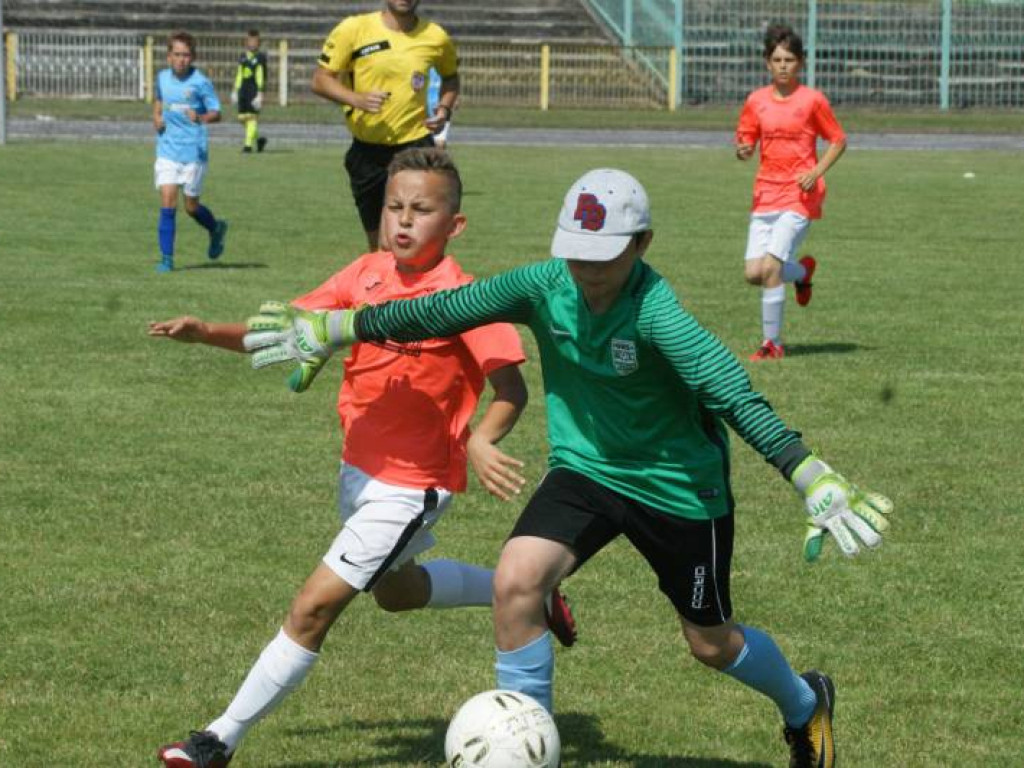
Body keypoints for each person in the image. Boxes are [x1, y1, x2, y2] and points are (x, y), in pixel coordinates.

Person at [247, 167, 894, 768]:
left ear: (641, 244)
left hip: (677, 490)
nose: (585, 268)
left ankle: (806, 703)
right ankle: (527, 742)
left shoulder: (656, 312)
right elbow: (438, 311)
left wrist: (808, 474)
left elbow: (728, 388)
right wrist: (339, 328)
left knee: (710, 644)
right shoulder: (543, 286)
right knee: (516, 580)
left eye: (603, 255)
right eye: (576, 251)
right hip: (585, 470)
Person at [151, 148, 576, 768]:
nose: (403, 221)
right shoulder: (365, 273)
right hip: (357, 474)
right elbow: (289, 330)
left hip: (413, 488)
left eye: (421, 210)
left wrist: (481, 439)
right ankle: (527, 593)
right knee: (398, 592)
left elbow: (512, 390)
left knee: (312, 607)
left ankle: (218, 740)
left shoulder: (468, 298)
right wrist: (205, 331)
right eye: (394, 207)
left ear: (454, 225)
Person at [735, 23, 847, 361]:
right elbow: (747, 138)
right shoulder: (756, 101)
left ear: (801, 63)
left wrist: (816, 171)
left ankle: (772, 344)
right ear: (767, 62)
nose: (783, 65)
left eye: (790, 60)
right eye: (777, 59)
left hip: (799, 196)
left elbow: (838, 140)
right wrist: (742, 149)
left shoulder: (812, 101)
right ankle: (802, 272)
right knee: (754, 273)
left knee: (770, 267)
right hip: (765, 194)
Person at [311, 0, 459, 250]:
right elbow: (320, 80)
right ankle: (387, 286)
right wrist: (357, 99)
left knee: (417, 241)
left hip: (415, 149)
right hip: (367, 152)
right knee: (379, 245)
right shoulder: (353, 29)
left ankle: (424, 289)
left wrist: (443, 110)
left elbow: (451, 79)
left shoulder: (436, 37)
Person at [152, 31, 229, 273]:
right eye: (177, 54)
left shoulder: (200, 82)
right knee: (167, 202)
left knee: (191, 207)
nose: (181, 59)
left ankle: (215, 228)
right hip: (167, 150)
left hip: (194, 152)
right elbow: (158, 100)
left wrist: (201, 116)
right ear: (168, 56)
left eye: (186, 55)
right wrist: (156, 117)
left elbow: (217, 113)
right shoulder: (162, 78)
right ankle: (166, 259)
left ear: (193, 57)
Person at [232, 29, 268, 154]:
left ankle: (247, 146)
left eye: (255, 41)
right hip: (243, 90)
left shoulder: (260, 58)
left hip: (254, 91)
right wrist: (235, 90)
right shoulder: (242, 57)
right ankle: (259, 139)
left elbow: (261, 76)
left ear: (259, 43)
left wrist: (260, 93)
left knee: (251, 118)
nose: (252, 43)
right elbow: (239, 74)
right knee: (242, 117)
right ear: (246, 42)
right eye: (250, 41)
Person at [426, 67, 453, 150]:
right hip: (423, 108)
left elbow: (452, 83)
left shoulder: (445, 64)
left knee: (439, 144)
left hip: (441, 107)